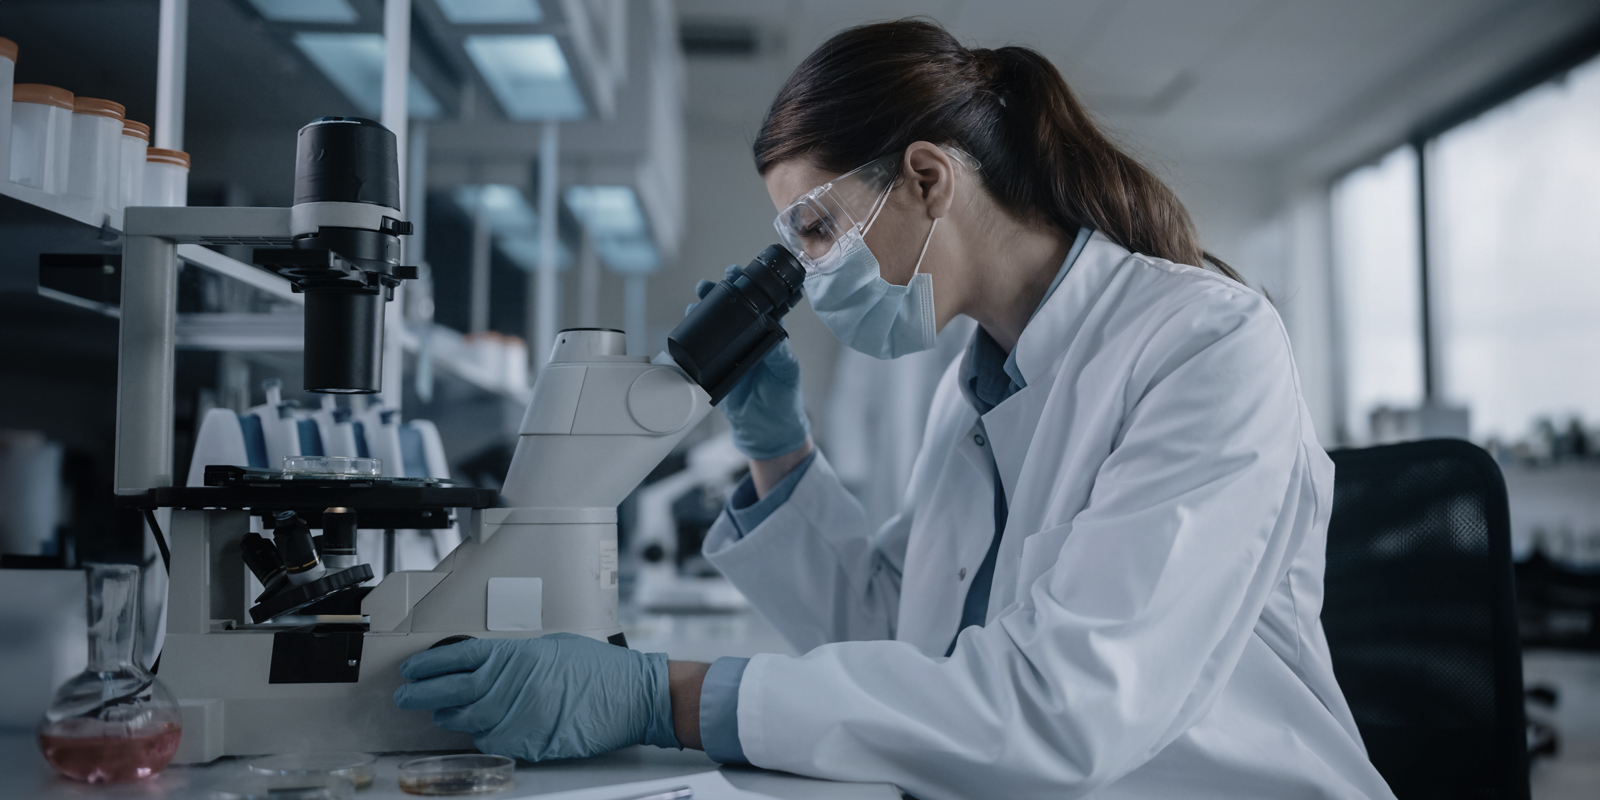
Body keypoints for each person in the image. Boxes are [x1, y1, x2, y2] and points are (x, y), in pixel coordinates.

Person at [393, 19, 1395, 800]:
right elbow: (905, 641)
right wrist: (779, 453)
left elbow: (1068, 706)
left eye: (818, 228)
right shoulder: (979, 381)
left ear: (925, 177)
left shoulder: (1205, 344)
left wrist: (667, 695)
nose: (809, 269)